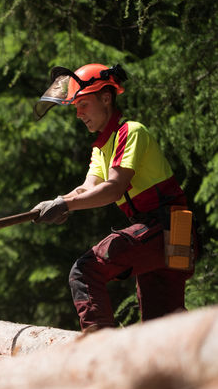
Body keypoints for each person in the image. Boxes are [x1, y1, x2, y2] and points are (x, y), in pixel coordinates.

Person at [31, 64, 194, 332]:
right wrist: (58, 202)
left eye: (82, 104)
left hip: (166, 226)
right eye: (75, 106)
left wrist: (65, 204)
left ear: (106, 98)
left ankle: (99, 349)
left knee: (86, 270)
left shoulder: (131, 132)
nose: (78, 113)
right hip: (167, 230)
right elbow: (87, 188)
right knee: (161, 326)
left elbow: (113, 189)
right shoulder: (102, 146)